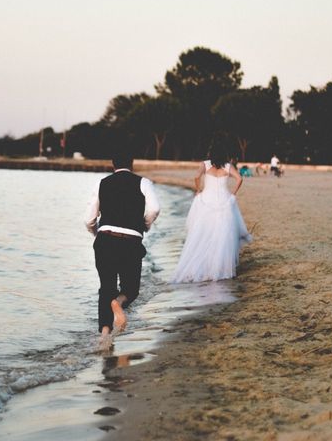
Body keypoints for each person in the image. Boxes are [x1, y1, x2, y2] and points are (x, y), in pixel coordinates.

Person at [85, 148, 160, 346]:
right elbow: (154, 208)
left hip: (105, 240)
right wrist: (144, 225)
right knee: (131, 289)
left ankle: (104, 335)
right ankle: (117, 303)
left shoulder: (101, 183)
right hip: (130, 241)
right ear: (132, 163)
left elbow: (89, 218)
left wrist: (97, 233)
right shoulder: (143, 182)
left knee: (106, 287)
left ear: (113, 164)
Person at [172, 138, 252, 283]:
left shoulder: (205, 164)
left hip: (206, 201)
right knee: (222, 236)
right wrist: (233, 194)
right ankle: (221, 269)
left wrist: (198, 190)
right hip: (224, 202)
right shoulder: (228, 166)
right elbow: (239, 179)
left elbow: (196, 176)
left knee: (204, 234)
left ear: (211, 152)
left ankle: (205, 267)